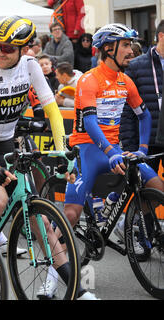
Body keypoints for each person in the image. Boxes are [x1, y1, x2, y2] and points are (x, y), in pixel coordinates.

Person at [0, 15, 73, 292]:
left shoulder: (31, 66)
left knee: (41, 221)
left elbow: (53, 111)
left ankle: (75, 286)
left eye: (8, 48)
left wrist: (62, 149)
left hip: (7, 142)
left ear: (25, 49)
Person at [60, 23, 164, 301]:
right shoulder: (89, 80)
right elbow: (90, 120)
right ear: (108, 48)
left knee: (156, 186)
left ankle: (122, 222)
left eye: (131, 45)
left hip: (114, 148)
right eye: (126, 45)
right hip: (88, 150)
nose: (131, 50)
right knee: (70, 215)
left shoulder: (125, 80)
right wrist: (109, 151)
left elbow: (143, 115)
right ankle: (53, 274)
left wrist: (141, 148)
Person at [119, 20, 164, 208]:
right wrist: (130, 145)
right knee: (151, 193)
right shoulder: (137, 66)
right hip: (147, 141)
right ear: (161, 36)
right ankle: (140, 227)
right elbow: (126, 110)